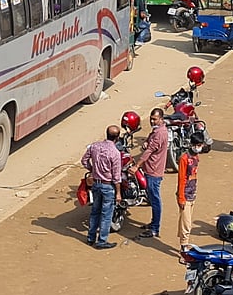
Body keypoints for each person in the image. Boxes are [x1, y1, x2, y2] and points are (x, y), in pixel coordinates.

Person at [81, 126, 122, 249]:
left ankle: (91, 238)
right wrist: (118, 193)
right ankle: (102, 241)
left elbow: (84, 160)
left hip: (96, 184)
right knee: (106, 215)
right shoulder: (115, 153)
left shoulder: (95, 146)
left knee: (95, 211)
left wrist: (93, 170)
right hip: (107, 186)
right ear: (117, 137)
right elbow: (116, 176)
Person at [129, 109, 167, 240]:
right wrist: (146, 141)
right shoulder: (157, 130)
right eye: (151, 119)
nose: (152, 121)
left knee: (155, 200)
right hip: (151, 169)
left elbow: (148, 152)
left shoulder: (159, 134)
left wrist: (136, 166)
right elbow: (149, 143)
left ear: (161, 119)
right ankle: (153, 223)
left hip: (154, 171)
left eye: (155, 119)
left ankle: (155, 228)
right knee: (152, 198)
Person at [176, 131, 202, 255]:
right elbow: (181, 179)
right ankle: (184, 246)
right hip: (185, 194)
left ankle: (184, 242)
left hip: (192, 193)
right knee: (186, 223)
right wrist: (181, 197)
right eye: (196, 145)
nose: (198, 147)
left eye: (200, 145)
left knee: (185, 220)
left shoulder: (196, 157)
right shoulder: (184, 158)